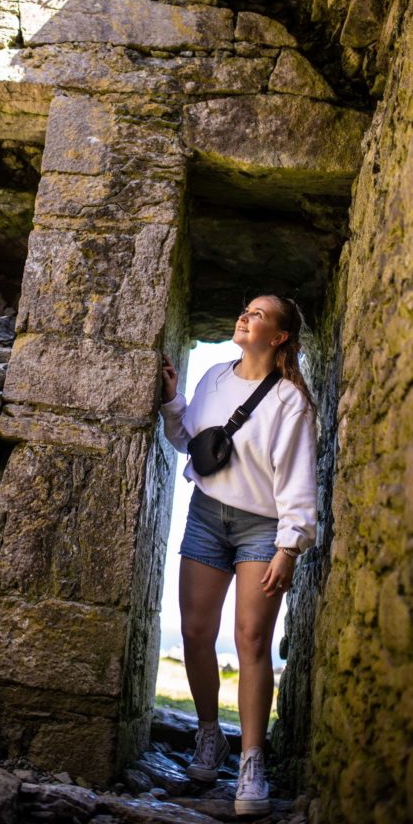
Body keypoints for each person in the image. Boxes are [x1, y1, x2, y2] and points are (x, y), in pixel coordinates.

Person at [160, 295, 317, 817]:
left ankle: (252, 764)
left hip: (262, 528)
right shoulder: (213, 378)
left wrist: (289, 546)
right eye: (245, 310)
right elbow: (191, 441)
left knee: (252, 639)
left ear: (278, 338)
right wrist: (171, 400)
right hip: (206, 515)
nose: (245, 317)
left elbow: (297, 477)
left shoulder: (290, 400)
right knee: (196, 633)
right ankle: (211, 738)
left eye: (259, 315)